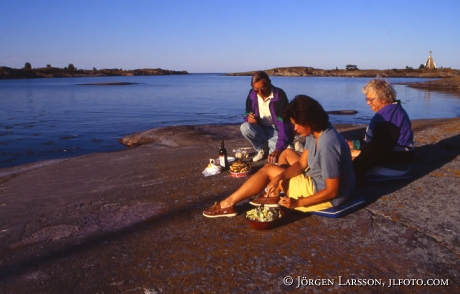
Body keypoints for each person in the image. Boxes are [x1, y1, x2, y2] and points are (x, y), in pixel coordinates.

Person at [203, 95, 356, 218]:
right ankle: (273, 193)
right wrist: (278, 179)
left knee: (268, 169)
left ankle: (228, 203)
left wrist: (297, 202)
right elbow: (302, 164)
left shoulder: (328, 144)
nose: (295, 130)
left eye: (297, 125)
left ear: (310, 120)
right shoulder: (315, 132)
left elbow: (332, 191)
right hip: (316, 180)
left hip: (325, 195)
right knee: (277, 170)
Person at [348, 78, 415, 180]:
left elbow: (378, 151)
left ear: (383, 99)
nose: (368, 103)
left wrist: (354, 168)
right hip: (392, 160)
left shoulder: (389, 117)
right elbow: (377, 142)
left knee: (342, 163)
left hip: (394, 167)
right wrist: (354, 144)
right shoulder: (390, 111)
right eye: (367, 99)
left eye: (371, 99)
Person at [240, 71, 294, 163]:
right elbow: (246, 112)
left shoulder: (279, 95)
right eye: (256, 90)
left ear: (269, 82)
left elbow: (283, 123)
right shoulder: (252, 94)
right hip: (260, 127)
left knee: (275, 159)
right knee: (245, 127)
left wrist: (278, 148)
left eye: (263, 88)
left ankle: (284, 144)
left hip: (276, 129)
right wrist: (248, 118)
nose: (260, 92)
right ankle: (261, 149)